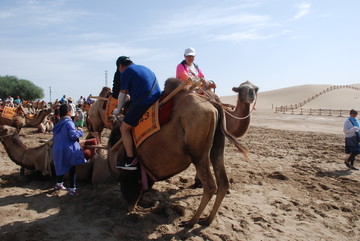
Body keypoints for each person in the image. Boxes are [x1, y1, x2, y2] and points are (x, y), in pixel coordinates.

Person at [113, 56, 161, 170]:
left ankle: (130, 160)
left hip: (144, 102)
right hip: (157, 99)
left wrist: (118, 110)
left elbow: (122, 95)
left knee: (124, 129)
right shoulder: (144, 68)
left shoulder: (125, 72)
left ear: (120, 66)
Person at [52, 104, 87, 195]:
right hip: (67, 149)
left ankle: (59, 184)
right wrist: (80, 131)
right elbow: (73, 135)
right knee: (72, 168)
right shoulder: (69, 123)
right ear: (68, 112)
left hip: (57, 148)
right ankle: (72, 189)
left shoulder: (59, 123)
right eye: (72, 110)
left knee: (63, 165)